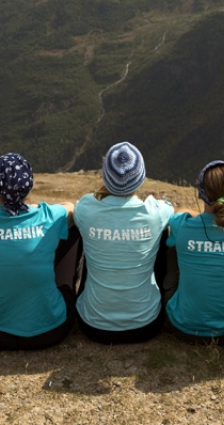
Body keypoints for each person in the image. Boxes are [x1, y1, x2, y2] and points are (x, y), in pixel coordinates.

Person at [0, 153, 82, 350]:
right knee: (72, 230)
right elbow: (70, 207)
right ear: (29, 184)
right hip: (51, 332)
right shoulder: (49, 216)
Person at [74, 142, 173, 344]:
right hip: (146, 325)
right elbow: (170, 208)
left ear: (105, 177)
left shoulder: (85, 209)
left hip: (94, 327)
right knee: (161, 234)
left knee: (85, 237)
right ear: (141, 178)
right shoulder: (154, 213)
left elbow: (74, 209)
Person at [165, 160, 224, 344]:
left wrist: (199, 217)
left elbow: (180, 212)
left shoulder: (182, 225)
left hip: (183, 326)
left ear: (201, 192)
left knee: (173, 247)